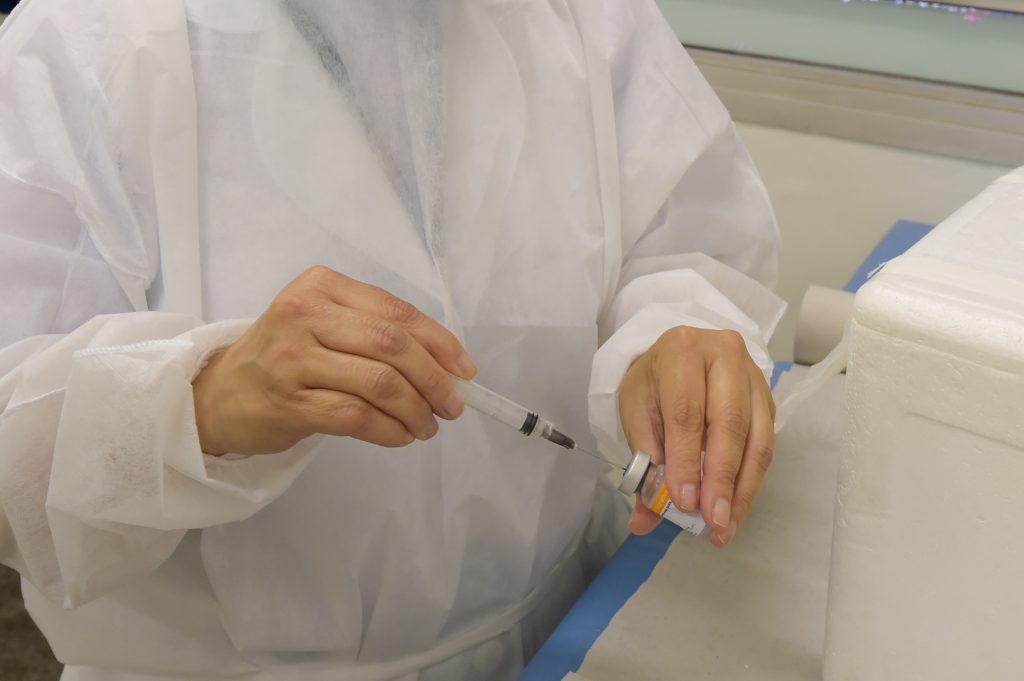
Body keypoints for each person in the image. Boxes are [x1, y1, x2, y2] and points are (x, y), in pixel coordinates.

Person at [0, 0, 784, 679]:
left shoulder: (582, 16)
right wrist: (199, 401)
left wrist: (674, 330)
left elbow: (682, 236)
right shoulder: (85, 41)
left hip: (560, 635)